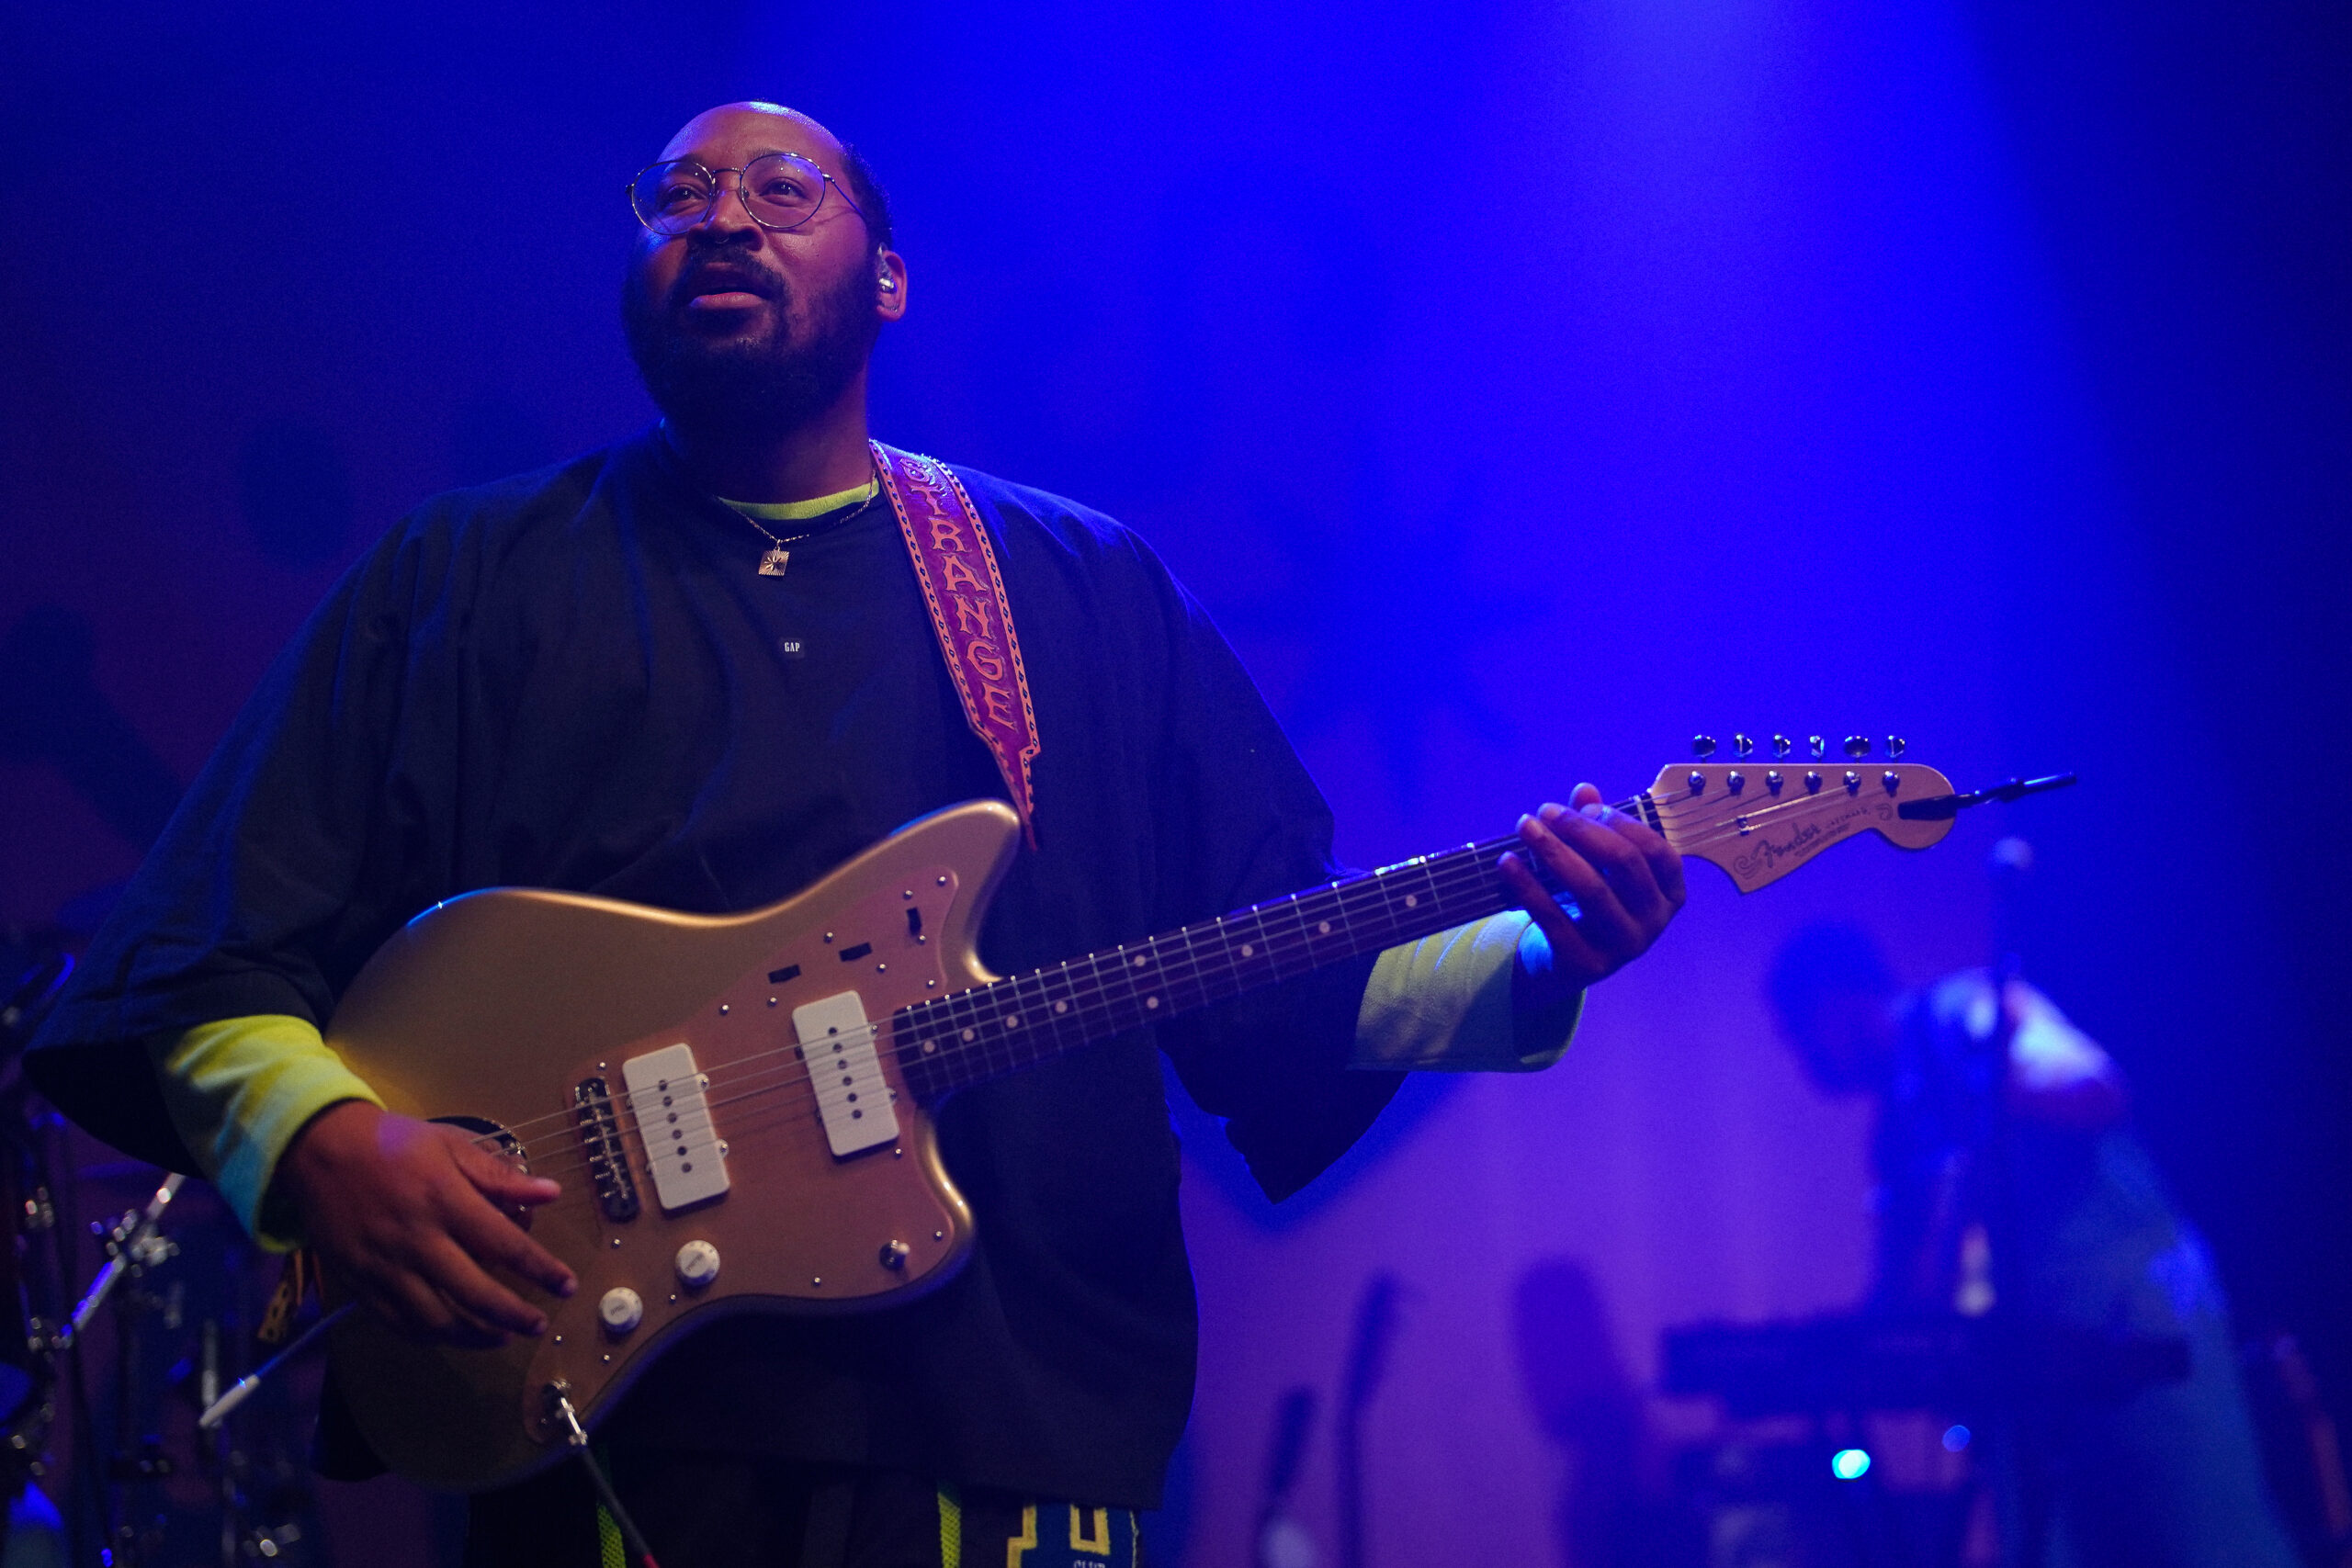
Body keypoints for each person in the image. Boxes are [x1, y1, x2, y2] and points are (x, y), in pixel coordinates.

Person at [26, 103, 1686, 1567]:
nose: (722, 219)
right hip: (601, 1444)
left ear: (888, 279)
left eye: (781, 189)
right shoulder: (460, 579)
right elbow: (198, 950)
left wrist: (1543, 949)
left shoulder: (1077, 587)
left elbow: (1272, 973)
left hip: (1004, 1430)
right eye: (678, 195)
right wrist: (321, 1141)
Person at [1766, 924, 2296, 1568]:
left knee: (2200, 1534)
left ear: (1835, 1008)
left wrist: (1984, 1092)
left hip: (2130, 1317)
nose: (1800, 1058)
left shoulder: (1965, 1010)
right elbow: (1897, 1290)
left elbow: (2091, 1085)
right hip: (2029, 1360)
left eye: (1795, 1033)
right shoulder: (1895, 1127)